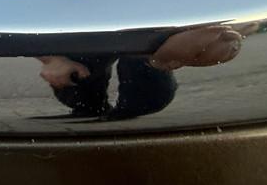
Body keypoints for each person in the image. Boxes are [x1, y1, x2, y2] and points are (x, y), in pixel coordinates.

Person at [38, 25, 244, 120]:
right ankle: (90, 105)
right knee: (77, 77)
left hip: (146, 28)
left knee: (144, 70)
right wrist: (52, 59)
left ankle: (154, 63)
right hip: (87, 30)